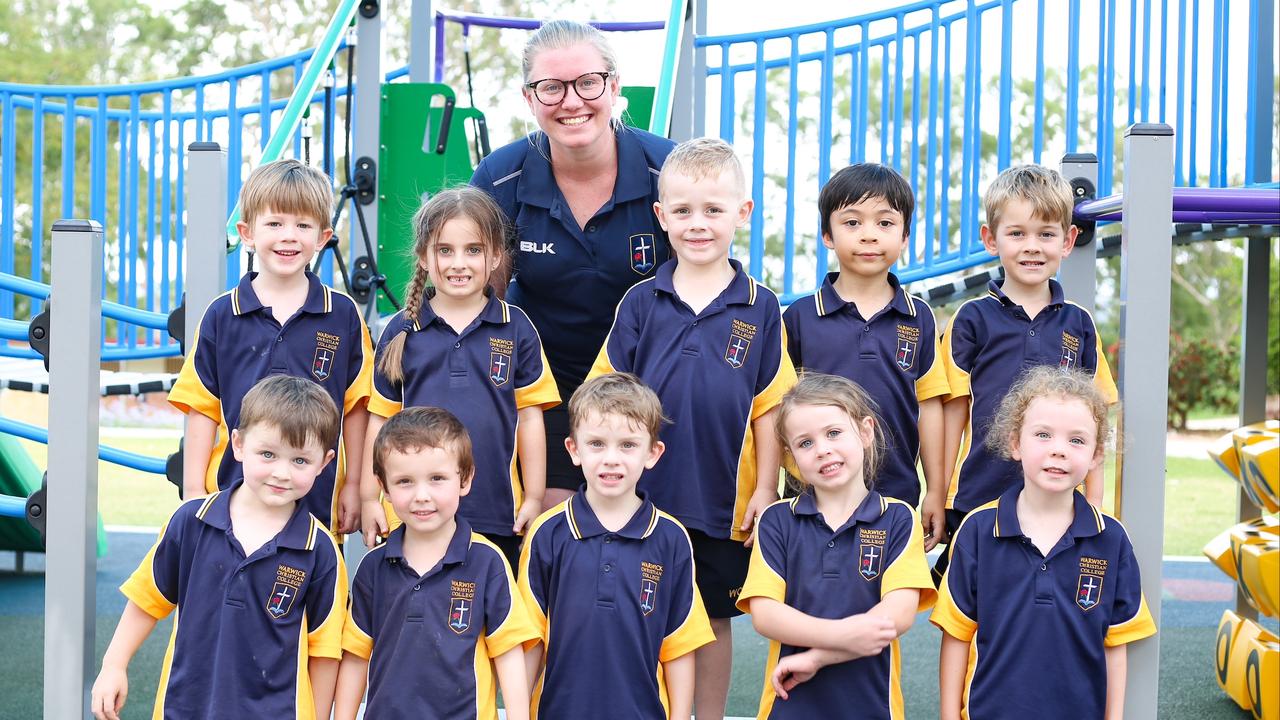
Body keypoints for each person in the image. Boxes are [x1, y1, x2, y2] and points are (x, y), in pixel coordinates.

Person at [587, 137, 797, 719]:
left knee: (709, 621)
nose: (697, 224)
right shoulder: (640, 303)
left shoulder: (761, 307)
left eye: (712, 209)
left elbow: (771, 409)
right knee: (635, 614)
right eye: (682, 211)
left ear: (742, 213)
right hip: (641, 497)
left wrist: (762, 489)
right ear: (661, 216)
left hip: (720, 501)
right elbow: (603, 393)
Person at [471, 19, 675, 514]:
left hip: (647, 382)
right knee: (553, 529)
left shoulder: (666, 170)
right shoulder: (502, 177)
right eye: (551, 88)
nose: (572, 101)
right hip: (546, 386)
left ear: (614, 86)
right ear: (529, 97)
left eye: (587, 82)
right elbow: (475, 298)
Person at [91, 376, 347, 720]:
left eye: (300, 460)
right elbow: (148, 599)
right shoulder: (191, 522)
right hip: (184, 708)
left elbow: (325, 651)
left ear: (324, 462)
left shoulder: (319, 550)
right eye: (267, 454)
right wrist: (114, 665)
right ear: (238, 445)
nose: (282, 473)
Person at [931, 366, 1156, 719]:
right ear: (1015, 443)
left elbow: (1116, 644)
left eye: (1077, 440)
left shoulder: (1111, 540)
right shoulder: (977, 531)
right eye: (1043, 435)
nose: (1059, 451)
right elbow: (957, 636)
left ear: (1096, 455)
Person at [168, 158, 373, 536]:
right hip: (230, 497)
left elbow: (357, 407)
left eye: (303, 225)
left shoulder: (341, 315)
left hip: (315, 501)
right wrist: (195, 490)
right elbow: (201, 408)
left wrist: (356, 485)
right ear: (247, 233)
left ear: (323, 237)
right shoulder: (222, 315)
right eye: (275, 223)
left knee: (313, 588)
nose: (289, 236)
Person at [358, 188, 560, 569]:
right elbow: (380, 421)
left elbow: (530, 420)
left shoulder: (515, 328)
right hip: (412, 514)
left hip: (494, 511)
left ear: (496, 255)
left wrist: (534, 497)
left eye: (473, 250)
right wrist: (371, 498)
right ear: (424, 256)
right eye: (445, 250)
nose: (458, 263)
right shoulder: (402, 330)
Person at [939, 164, 1116, 559]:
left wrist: (1096, 499)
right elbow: (953, 412)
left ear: (1068, 240)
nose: (1032, 246)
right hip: (978, 494)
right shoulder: (971, 319)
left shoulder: (1080, 323)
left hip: (1059, 501)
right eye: (1017, 233)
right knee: (969, 607)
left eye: (1046, 234)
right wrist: (938, 493)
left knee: (1041, 607)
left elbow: (1096, 415)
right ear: (991, 238)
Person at [739, 372, 935, 719]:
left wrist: (817, 657)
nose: (823, 449)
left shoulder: (899, 519)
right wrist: (844, 634)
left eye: (833, 433)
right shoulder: (776, 521)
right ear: (791, 456)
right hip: (788, 706)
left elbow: (897, 615)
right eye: (805, 443)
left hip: (874, 707)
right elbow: (766, 615)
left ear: (865, 431)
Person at [518, 373, 714, 720]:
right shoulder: (548, 533)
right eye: (596, 444)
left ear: (653, 453)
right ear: (573, 449)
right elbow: (529, 640)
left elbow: (680, 646)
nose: (611, 458)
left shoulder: (670, 538)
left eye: (627, 445)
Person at [781, 163, 949, 551]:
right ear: (827, 234)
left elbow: (929, 406)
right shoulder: (801, 318)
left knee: (890, 605)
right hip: (811, 496)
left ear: (905, 237)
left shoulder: (919, 317)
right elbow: (777, 410)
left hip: (894, 495)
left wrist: (936, 491)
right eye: (852, 223)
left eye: (885, 224)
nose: (869, 235)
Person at [335, 407, 537, 720]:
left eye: (437, 478)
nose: (422, 495)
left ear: (465, 479)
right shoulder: (373, 568)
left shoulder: (487, 561)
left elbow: (507, 651)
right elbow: (356, 656)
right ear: (384, 488)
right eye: (404, 481)